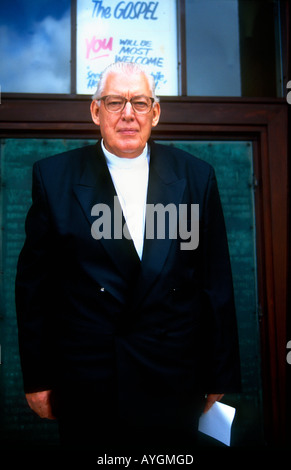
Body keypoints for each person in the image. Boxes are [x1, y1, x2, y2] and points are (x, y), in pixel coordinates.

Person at [15, 62, 240, 452]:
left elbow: (214, 281)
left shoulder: (195, 176)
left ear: (155, 111)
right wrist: (37, 378)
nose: (128, 114)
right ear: (95, 110)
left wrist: (218, 375)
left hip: (173, 373)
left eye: (139, 102)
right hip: (89, 378)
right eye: (115, 102)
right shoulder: (54, 178)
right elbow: (35, 288)